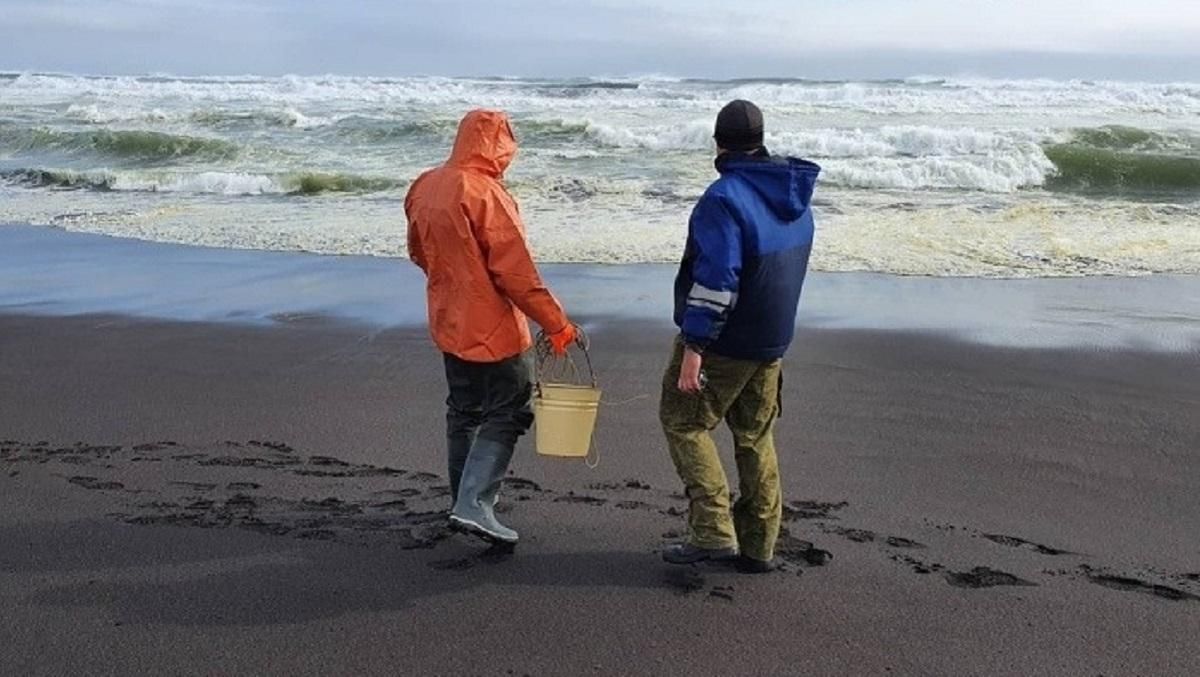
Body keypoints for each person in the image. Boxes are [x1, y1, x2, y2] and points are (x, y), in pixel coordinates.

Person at [659, 100, 820, 573]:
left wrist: (695, 347)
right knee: (754, 435)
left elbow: (717, 280)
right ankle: (759, 544)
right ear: (760, 138)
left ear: (718, 143)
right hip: (772, 340)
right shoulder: (794, 195)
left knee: (683, 421)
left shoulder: (723, 198)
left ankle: (711, 531)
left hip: (726, 340)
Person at [405, 109, 577, 545]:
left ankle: (463, 498)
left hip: (448, 318)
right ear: (498, 145)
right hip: (495, 329)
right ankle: (475, 503)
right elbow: (516, 275)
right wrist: (556, 324)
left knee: (464, 410)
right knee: (512, 409)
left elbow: (418, 253)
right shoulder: (487, 194)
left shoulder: (425, 185)